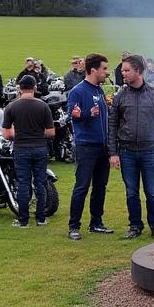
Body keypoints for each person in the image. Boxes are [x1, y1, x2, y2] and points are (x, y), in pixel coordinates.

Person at [108, 54, 154, 240]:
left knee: (151, 192)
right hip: (126, 152)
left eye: (126, 70)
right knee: (131, 192)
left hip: (150, 150)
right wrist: (113, 153)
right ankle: (135, 225)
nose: (123, 73)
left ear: (138, 71)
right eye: (122, 70)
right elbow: (112, 125)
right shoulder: (119, 96)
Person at [67, 53, 115, 240]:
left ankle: (96, 222)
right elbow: (72, 114)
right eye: (104, 68)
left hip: (103, 146)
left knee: (100, 186)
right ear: (93, 69)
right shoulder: (78, 91)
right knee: (82, 186)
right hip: (86, 146)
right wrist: (87, 113)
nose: (106, 72)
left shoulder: (99, 90)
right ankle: (73, 226)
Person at [2, 75, 55, 227]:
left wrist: (19, 134)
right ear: (35, 88)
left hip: (21, 148)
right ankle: (41, 218)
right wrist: (38, 133)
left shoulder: (12, 107)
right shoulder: (43, 106)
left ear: (19, 89)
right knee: (40, 183)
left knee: (23, 184)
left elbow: (6, 134)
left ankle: (23, 220)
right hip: (40, 148)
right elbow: (51, 133)